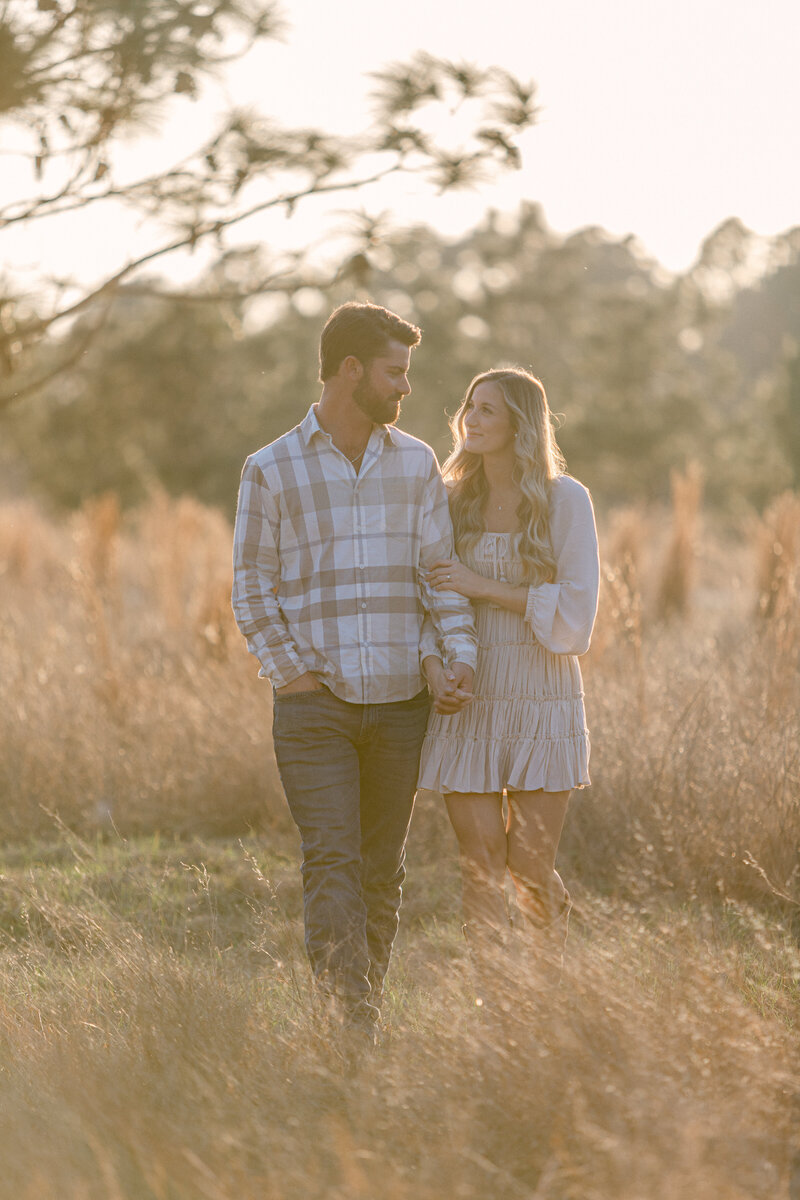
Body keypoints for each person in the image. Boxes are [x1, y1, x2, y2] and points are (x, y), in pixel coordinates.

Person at [231, 302, 477, 1039]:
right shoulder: (269, 469)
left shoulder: (416, 463)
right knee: (333, 859)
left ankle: (355, 1021)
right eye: (394, 372)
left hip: (403, 704)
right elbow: (251, 586)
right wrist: (292, 675)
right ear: (350, 370)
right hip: (317, 708)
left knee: (381, 871)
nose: (405, 388)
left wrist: (455, 659)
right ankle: (351, 1023)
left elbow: (440, 576)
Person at [418, 367, 599, 976]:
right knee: (480, 861)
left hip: (541, 690)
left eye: (489, 409)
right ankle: (494, 1000)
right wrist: (435, 668)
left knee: (527, 862)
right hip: (470, 691)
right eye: (470, 405)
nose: (472, 417)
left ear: (521, 422)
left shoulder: (564, 498)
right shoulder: (446, 497)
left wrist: (483, 587)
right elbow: (430, 598)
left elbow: (576, 611)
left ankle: (550, 986)